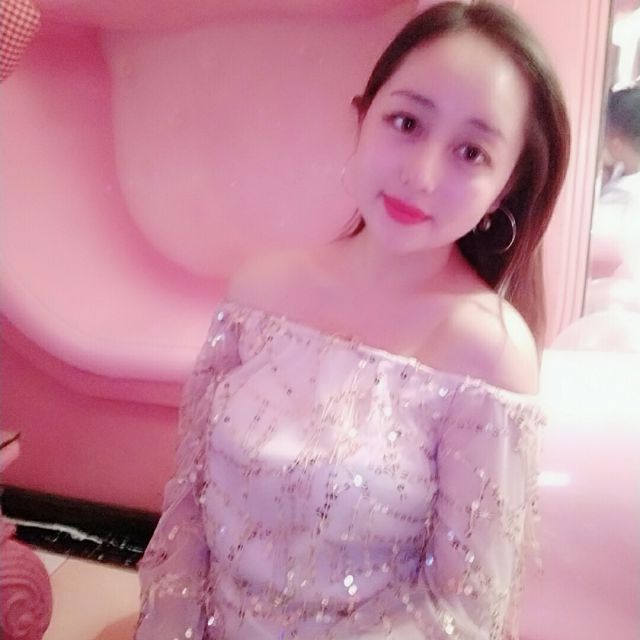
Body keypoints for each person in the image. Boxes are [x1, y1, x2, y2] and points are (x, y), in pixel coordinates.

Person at [135, 2, 570, 638]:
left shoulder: (489, 354)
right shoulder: (259, 293)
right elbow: (188, 516)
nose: (421, 174)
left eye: (472, 152)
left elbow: (462, 610)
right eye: (407, 122)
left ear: (505, 187)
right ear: (364, 119)